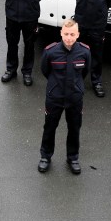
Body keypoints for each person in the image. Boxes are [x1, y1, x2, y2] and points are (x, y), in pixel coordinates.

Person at [38, 19, 90, 175]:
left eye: (72, 34)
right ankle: (45, 156)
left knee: (74, 128)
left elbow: (85, 72)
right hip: (55, 97)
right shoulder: (50, 51)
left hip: (75, 98)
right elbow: (45, 70)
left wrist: (77, 88)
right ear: (61, 33)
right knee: (49, 127)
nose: (69, 37)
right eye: (66, 34)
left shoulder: (85, 51)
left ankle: (73, 158)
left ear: (78, 34)